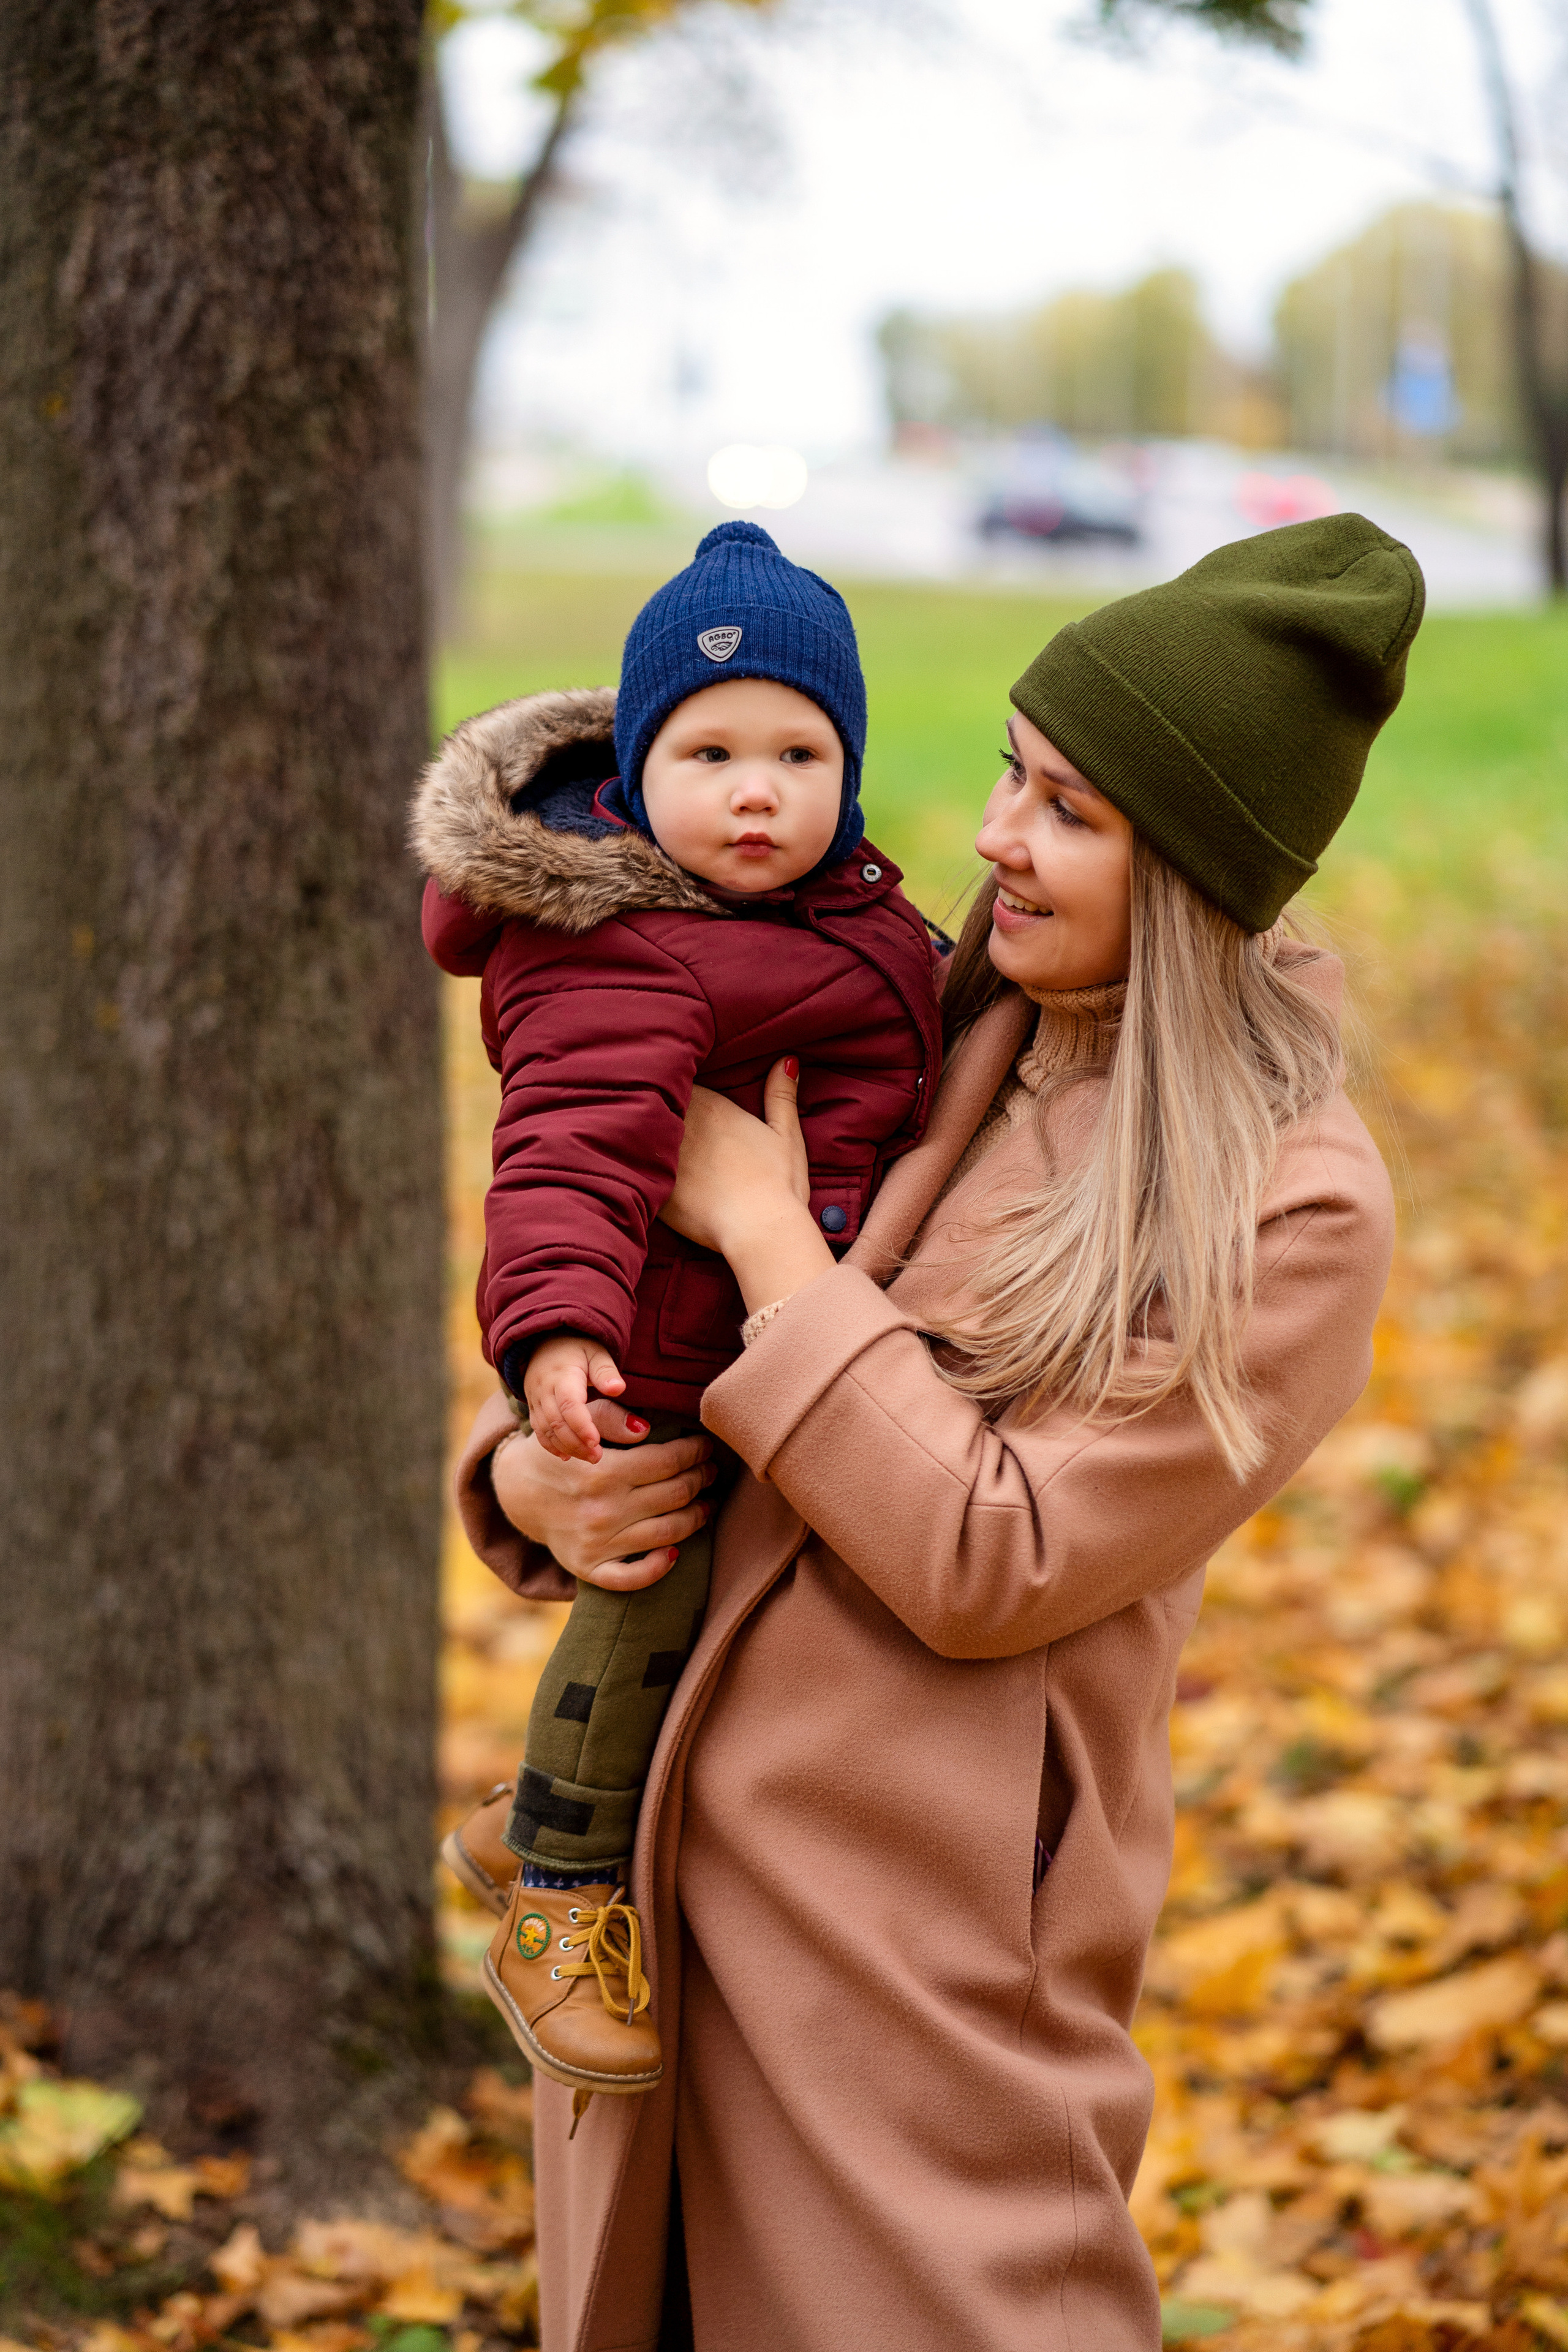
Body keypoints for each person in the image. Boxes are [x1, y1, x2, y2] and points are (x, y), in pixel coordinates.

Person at [455, 512, 1419, 2350]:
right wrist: (530, 1478)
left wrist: (755, 1233)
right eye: (1006, 772)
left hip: (914, 1995)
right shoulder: (949, 1003)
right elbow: (623, 1266)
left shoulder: (1291, 1205)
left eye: (1067, 808)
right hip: (656, 1906)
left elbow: (1005, 1559)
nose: (991, 835)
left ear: (1202, 867)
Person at [413, 521, 943, 2105]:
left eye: (801, 748)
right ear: (636, 775)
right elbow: (564, 1148)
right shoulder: (623, 942)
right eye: (710, 752)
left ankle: (532, 1811)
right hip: (662, 1346)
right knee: (652, 1586)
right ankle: (560, 1902)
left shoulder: (840, 916)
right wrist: (555, 1336)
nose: (760, 789)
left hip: (769, 1323)